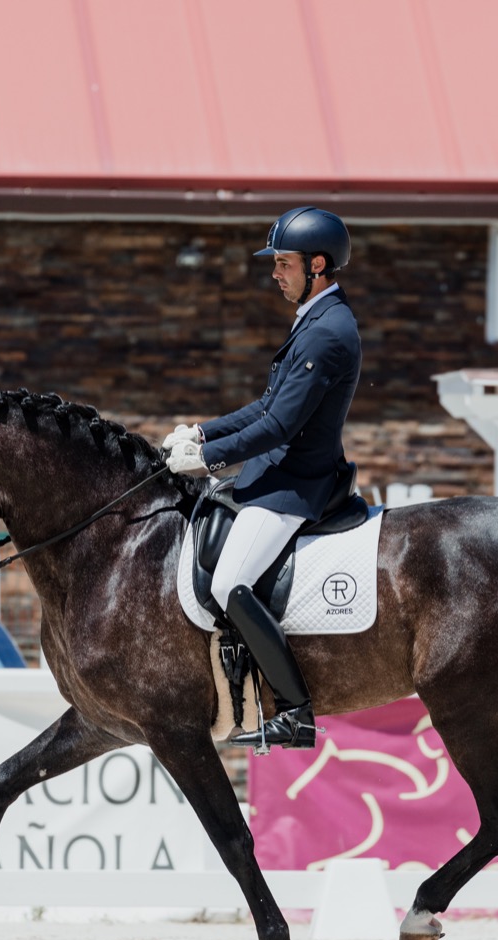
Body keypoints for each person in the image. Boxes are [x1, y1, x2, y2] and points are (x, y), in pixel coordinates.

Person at [163, 207, 361, 751]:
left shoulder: (328, 332)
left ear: (317, 265)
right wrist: (202, 433)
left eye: (284, 263)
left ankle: (295, 712)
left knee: (229, 584)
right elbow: (266, 403)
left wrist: (205, 461)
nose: (276, 273)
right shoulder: (314, 318)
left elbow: (279, 425)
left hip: (296, 483)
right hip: (275, 472)